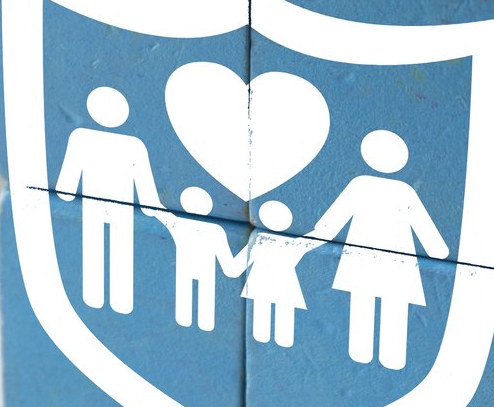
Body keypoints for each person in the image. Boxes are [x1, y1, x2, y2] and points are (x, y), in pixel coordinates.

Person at [309, 130, 448, 370]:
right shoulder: (403, 190)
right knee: (391, 305)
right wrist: (438, 250)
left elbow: (332, 220)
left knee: (363, 302)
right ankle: (390, 358)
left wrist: (317, 235)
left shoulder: (361, 185)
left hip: (363, 259)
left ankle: (361, 353)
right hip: (396, 262)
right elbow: (424, 228)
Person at [55, 86, 162, 314]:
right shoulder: (127, 144)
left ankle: (108, 298)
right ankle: (110, 298)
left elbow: (142, 178)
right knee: (107, 247)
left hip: (108, 205)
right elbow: (72, 168)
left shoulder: (85, 138)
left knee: (110, 247)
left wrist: (64, 192)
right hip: (105, 205)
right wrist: (150, 204)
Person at [154, 187, 245, 331]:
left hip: (189, 270)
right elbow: (228, 266)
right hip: (203, 272)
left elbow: (158, 211)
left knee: (188, 316)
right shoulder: (214, 230)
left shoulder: (179, 224)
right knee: (203, 319)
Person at [240, 200, 322, 348]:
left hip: (271, 283)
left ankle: (273, 346)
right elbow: (309, 244)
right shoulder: (262, 240)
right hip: (275, 283)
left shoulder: (261, 240)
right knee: (265, 322)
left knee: (273, 323)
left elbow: (310, 243)